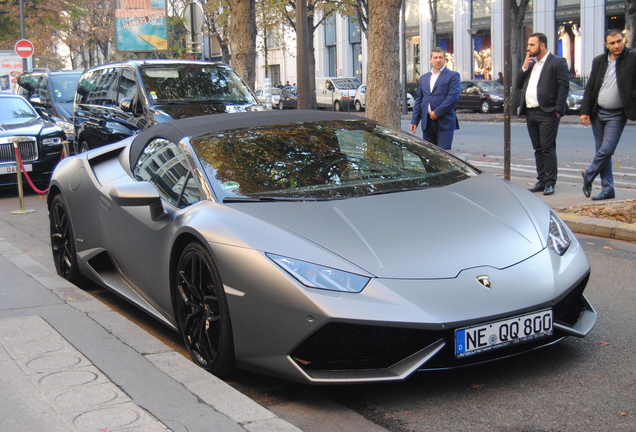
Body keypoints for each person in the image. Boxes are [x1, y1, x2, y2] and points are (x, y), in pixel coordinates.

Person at [579, 29, 636, 201]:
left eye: (619, 41)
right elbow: (590, 87)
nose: (617, 45)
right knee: (602, 152)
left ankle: (588, 175)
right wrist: (584, 111)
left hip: (617, 114)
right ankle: (608, 189)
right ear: (606, 45)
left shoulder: (632, 58)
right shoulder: (599, 61)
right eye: (612, 43)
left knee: (606, 150)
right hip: (597, 113)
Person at [516, 32, 569, 196]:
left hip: (548, 112)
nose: (528, 48)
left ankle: (550, 182)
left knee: (547, 148)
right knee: (537, 148)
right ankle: (541, 180)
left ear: (542, 45)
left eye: (532, 45)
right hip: (531, 112)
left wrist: (558, 109)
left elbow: (563, 86)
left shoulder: (557, 62)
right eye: (528, 44)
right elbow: (518, 85)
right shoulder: (531, 64)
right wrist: (524, 67)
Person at [410, 47, 461, 150]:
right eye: (435, 57)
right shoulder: (424, 78)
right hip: (427, 122)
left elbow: (453, 97)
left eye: (440, 57)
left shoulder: (453, 76)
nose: (438, 60)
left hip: (444, 121)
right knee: (429, 154)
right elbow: (419, 99)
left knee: (443, 154)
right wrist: (415, 120)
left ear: (444, 59)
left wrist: (437, 112)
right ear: (431, 59)